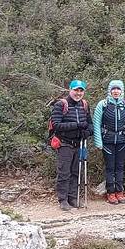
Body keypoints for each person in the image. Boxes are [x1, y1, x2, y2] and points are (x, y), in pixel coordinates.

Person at [92, 80, 125, 205]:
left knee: (120, 167)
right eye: (114, 89)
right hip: (107, 141)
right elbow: (96, 123)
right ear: (110, 91)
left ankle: (119, 191)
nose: (116, 91)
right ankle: (110, 192)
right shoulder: (103, 104)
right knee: (110, 168)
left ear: (122, 91)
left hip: (122, 140)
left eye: (118, 89)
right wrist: (98, 142)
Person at [50, 80, 92, 211]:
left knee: (76, 172)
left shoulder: (84, 105)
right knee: (64, 172)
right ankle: (63, 200)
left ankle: (72, 198)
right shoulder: (60, 105)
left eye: (81, 91)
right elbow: (56, 125)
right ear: (70, 90)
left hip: (79, 143)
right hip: (64, 143)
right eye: (76, 90)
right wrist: (77, 126)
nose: (78, 93)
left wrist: (88, 132)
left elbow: (89, 123)